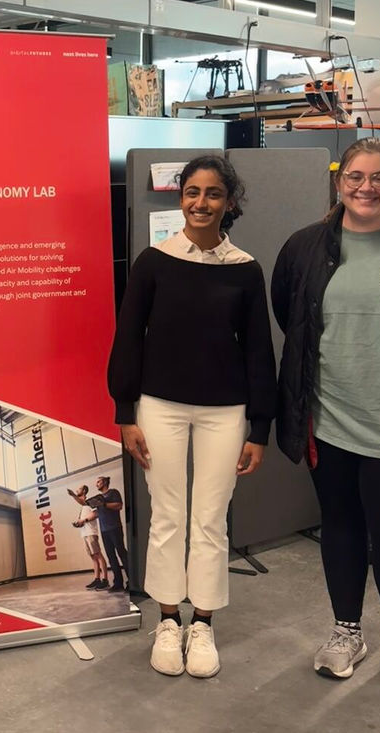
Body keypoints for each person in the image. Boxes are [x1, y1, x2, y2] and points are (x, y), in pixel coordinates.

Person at [107, 155, 275, 679]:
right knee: (168, 515)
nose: (200, 203)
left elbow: (258, 353)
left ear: (230, 202)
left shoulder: (245, 269)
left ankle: (202, 623)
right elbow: (128, 339)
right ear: (180, 198)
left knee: (209, 518)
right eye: (192, 193)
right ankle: (168, 620)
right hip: (161, 407)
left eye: (213, 194)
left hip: (226, 412)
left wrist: (261, 428)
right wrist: (125, 412)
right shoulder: (154, 261)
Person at [272, 137, 380, 690]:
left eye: (379, 178)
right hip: (328, 421)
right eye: (356, 176)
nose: (366, 188)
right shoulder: (306, 247)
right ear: (339, 182)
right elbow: (292, 317)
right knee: (342, 527)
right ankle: (346, 631)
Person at [89, 476, 129, 594]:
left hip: (115, 528)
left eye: (98, 482)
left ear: (105, 482)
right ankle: (118, 583)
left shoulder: (113, 492)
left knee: (122, 554)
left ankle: (131, 582)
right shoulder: (98, 498)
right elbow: (97, 513)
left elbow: (119, 505)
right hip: (104, 530)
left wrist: (104, 504)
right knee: (111, 557)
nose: (97, 484)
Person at [69, 485, 109, 589]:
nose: (77, 489)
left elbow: (96, 514)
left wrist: (84, 520)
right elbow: (84, 518)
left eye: (79, 488)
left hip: (91, 532)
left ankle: (105, 580)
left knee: (98, 554)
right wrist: (79, 523)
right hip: (84, 533)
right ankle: (97, 579)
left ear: (84, 491)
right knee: (93, 557)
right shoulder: (83, 506)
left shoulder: (90, 503)